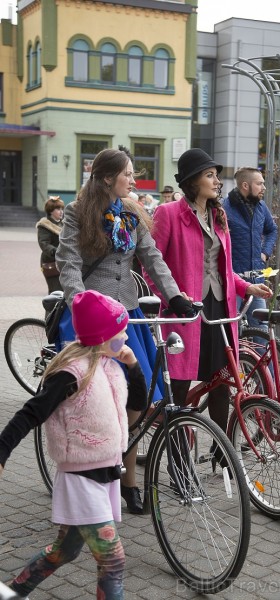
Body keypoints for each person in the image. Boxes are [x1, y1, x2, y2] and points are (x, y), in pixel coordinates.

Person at [55, 148, 193, 515]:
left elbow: (152, 258)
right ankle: (84, 472)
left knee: (138, 402)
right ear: (106, 178)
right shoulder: (76, 212)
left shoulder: (132, 212)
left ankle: (127, 479)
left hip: (128, 315)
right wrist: (79, 302)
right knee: (94, 402)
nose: (133, 180)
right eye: (128, 174)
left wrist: (175, 296)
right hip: (91, 318)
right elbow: (67, 263)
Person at [0, 290, 148, 599]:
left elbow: (138, 403)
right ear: (101, 336)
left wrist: (133, 367)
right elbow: (31, 413)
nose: (125, 336)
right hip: (81, 479)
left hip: (105, 473)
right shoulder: (71, 373)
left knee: (63, 552)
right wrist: (2, 451)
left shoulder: (109, 364)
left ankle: (13, 592)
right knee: (113, 560)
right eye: (120, 331)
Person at [143, 148, 272, 437]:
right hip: (184, 310)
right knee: (178, 384)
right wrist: (170, 298)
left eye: (216, 176)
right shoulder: (168, 213)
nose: (217, 182)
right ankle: (177, 454)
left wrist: (246, 287)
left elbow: (223, 270)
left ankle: (222, 447)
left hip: (219, 309)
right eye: (210, 175)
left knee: (221, 382)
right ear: (192, 181)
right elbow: (150, 264)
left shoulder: (218, 216)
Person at [223, 166, 278, 332]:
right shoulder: (223, 208)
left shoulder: (261, 206)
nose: (264, 187)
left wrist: (265, 253)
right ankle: (237, 359)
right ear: (245, 185)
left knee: (262, 330)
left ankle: (260, 359)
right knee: (232, 330)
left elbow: (272, 229)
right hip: (233, 282)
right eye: (259, 184)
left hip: (257, 280)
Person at [36, 196, 64, 293]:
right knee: (55, 291)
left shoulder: (64, 224)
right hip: (51, 262)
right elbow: (44, 244)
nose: (61, 212)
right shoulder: (44, 225)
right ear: (50, 211)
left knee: (65, 291)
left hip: (64, 261)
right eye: (58, 209)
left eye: (62, 209)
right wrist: (56, 251)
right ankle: (50, 309)